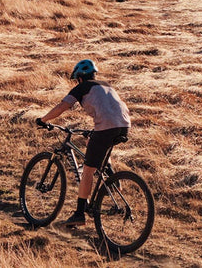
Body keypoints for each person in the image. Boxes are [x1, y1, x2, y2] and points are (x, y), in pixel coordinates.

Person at [36, 59, 131, 227]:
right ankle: (109, 172)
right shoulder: (107, 85)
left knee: (87, 170)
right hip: (124, 125)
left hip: (106, 127)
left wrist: (43, 120)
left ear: (80, 77)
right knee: (92, 141)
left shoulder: (82, 87)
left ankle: (79, 214)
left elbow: (62, 107)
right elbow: (109, 108)